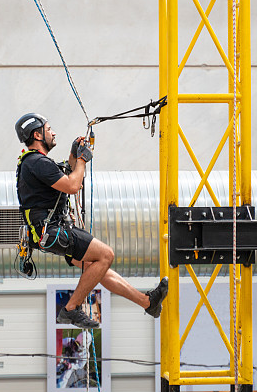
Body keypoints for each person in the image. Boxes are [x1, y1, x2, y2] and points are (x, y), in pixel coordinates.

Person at [15, 112, 168, 329]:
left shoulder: (34, 163)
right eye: (49, 129)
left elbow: (66, 177)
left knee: (95, 267)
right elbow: (72, 185)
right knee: (106, 255)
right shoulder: (37, 162)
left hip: (48, 232)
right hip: (54, 230)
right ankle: (70, 309)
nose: (53, 132)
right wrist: (82, 160)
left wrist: (73, 155)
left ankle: (148, 302)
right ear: (37, 134)